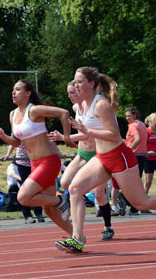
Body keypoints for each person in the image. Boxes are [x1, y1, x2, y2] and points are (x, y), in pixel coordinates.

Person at [55, 67, 156, 253]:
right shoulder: (84, 106)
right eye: (75, 81)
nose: (76, 85)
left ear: (91, 83)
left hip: (120, 157)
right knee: (74, 188)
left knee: (140, 202)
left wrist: (88, 132)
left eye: (80, 81)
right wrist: (70, 137)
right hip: (102, 157)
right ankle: (78, 239)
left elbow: (114, 136)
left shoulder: (101, 105)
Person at [0, 79, 76, 234]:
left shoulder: (34, 110)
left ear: (28, 93)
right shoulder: (13, 114)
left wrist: (66, 137)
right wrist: (2, 136)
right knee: (48, 208)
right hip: (34, 163)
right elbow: (16, 142)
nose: (13, 93)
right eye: (13, 90)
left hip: (48, 162)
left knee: (23, 198)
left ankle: (60, 199)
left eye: (17, 89)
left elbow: (63, 113)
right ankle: (77, 237)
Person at [49, 80, 115, 240]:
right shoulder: (76, 108)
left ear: (80, 92)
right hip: (82, 153)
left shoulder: (94, 106)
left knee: (99, 195)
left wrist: (64, 137)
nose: (70, 96)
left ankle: (107, 226)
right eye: (68, 93)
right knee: (65, 183)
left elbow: (87, 134)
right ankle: (69, 211)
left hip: (97, 155)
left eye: (73, 92)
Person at [3, 143, 44, 223]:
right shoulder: (18, 132)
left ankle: (38, 213)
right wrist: (8, 154)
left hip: (35, 161)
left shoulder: (35, 131)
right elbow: (13, 142)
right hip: (22, 163)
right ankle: (27, 215)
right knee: (24, 190)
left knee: (36, 189)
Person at [119, 107, 149, 215]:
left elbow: (137, 139)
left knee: (130, 181)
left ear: (135, 115)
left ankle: (129, 202)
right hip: (142, 155)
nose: (127, 118)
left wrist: (129, 150)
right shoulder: (141, 124)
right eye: (126, 116)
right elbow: (137, 140)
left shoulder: (132, 126)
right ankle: (133, 207)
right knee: (136, 180)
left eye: (129, 116)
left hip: (135, 155)